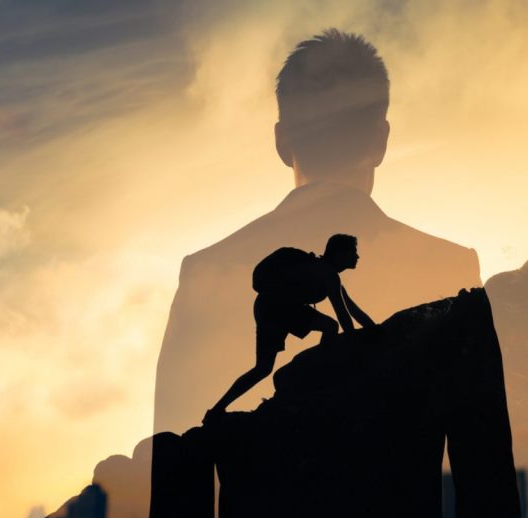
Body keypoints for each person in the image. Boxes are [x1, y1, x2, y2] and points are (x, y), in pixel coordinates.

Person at [154, 30, 481, 432]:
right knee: (273, 363)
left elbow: (168, 447)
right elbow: (478, 429)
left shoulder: (204, 270)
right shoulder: (450, 267)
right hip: (396, 488)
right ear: (381, 141)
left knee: (264, 368)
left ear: (281, 142)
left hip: (260, 487)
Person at [205, 234, 374, 421]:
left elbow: (352, 310)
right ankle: (321, 373)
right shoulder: (328, 275)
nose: (357, 257)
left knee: (262, 368)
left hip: (268, 306)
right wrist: (359, 342)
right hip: (277, 309)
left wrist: (375, 330)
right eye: (354, 252)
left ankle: (216, 411)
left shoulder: (327, 274)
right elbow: (343, 313)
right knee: (329, 326)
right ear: (340, 254)